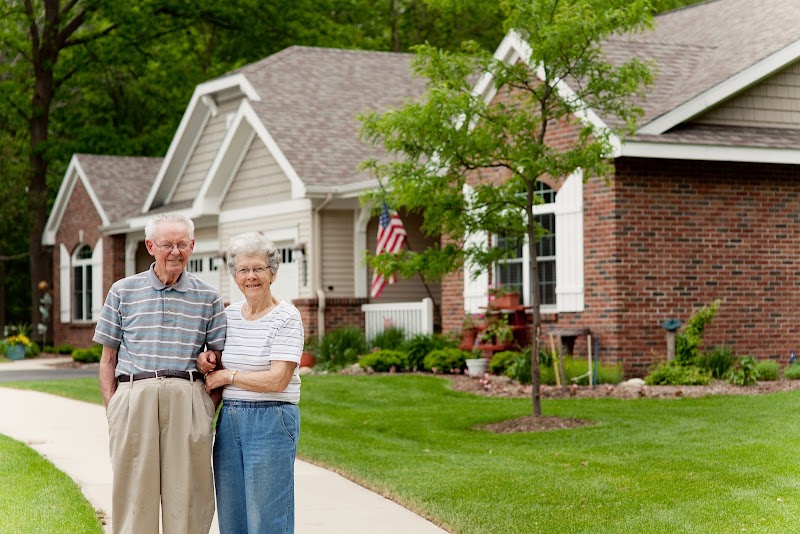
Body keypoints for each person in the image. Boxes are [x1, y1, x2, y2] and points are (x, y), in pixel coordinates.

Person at [94, 213, 226, 534]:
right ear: (151, 246)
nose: (176, 252)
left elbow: (219, 360)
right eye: (167, 244)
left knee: (189, 495)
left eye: (183, 244)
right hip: (133, 396)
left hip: (188, 399)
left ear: (193, 246)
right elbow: (108, 358)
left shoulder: (209, 297)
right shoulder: (122, 291)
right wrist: (114, 408)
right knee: (134, 493)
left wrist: (206, 406)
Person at [197, 232, 304, 534]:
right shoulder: (228, 315)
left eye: (258, 268)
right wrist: (205, 361)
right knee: (233, 518)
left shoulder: (286, 317)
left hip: (271, 419)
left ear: (272, 272)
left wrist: (229, 376)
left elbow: (278, 379)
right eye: (243, 270)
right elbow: (213, 360)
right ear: (235, 276)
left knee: (267, 521)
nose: (251, 276)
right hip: (230, 422)